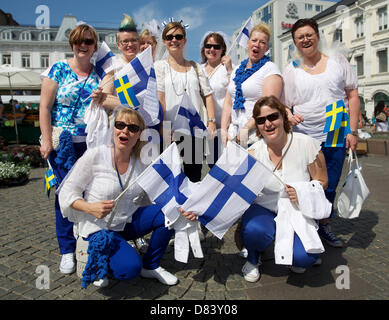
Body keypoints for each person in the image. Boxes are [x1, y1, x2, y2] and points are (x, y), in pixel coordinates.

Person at [58, 107, 177, 287]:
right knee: (128, 269)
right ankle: (97, 254)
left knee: (170, 213)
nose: (125, 131)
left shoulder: (142, 162)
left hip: (126, 221)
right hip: (98, 227)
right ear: (112, 128)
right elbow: (67, 192)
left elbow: (157, 193)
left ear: (139, 135)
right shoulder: (95, 155)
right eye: (120, 125)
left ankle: (151, 265)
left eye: (133, 128)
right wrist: (90, 207)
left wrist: (183, 207)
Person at [283, 18, 360, 248]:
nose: (305, 39)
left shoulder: (337, 61)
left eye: (309, 34)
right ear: (295, 43)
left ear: (317, 36)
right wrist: (289, 115)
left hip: (336, 127)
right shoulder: (292, 70)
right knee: (306, 183)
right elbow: (284, 105)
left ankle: (325, 224)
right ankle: (308, 227)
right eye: (300, 37)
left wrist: (353, 130)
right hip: (305, 133)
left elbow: (353, 95)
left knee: (330, 183)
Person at [240, 96, 328, 282]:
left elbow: (322, 181)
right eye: (261, 120)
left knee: (304, 258)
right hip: (264, 208)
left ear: (284, 117)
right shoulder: (253, 153)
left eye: (273, 117)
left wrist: (303, 191)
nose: (268, 124)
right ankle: (254, 257)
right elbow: (236, 189)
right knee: (254, 230)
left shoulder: (306, 144)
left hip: (297, 210)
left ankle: (294, 251)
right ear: (256, 125)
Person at [39, 23, 101, 275]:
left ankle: (84, 243)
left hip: (89, 144)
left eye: (87, 42)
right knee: (65, 196)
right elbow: (44, 107)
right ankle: (66, 249)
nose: (82, 46)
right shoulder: (59, 69)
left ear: (94, 46)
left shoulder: (100, 74)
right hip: (62, 143)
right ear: (72, 44)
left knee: (88, 195)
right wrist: (45, 139)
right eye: (78, 41)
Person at [155, 21, 217, 183]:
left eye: (178, 36)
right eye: (169, 37)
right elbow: (160, 97)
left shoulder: (196, 67)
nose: (174, 40)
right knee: (169, 179)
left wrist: (211, 122)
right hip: (170, 132)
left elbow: (208, 95)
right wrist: (162, 126)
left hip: (193, 131)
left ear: (185, 40)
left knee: (194, 178)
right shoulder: (159, 67)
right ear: (164, 41)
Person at [221, 23, 283, 148]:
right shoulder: (237, 69)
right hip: (234, 134)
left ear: (266, 48)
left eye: (262, 42)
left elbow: (268, 106)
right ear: (248, 43)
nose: (257, 44)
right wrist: (223, 129)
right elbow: (228, 102)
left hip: (256, 136)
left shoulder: (270, 69)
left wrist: (246, 129)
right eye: (254, 40)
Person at [200, 31, 233, 167]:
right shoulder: (197, 68)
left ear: (222, 49)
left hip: (222, 126)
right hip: (202, 126)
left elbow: (234, 91)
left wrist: (230, 69)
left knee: (222, 166)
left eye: (216, 47)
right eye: (209, 46)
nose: (212, 49)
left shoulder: (226, 69)